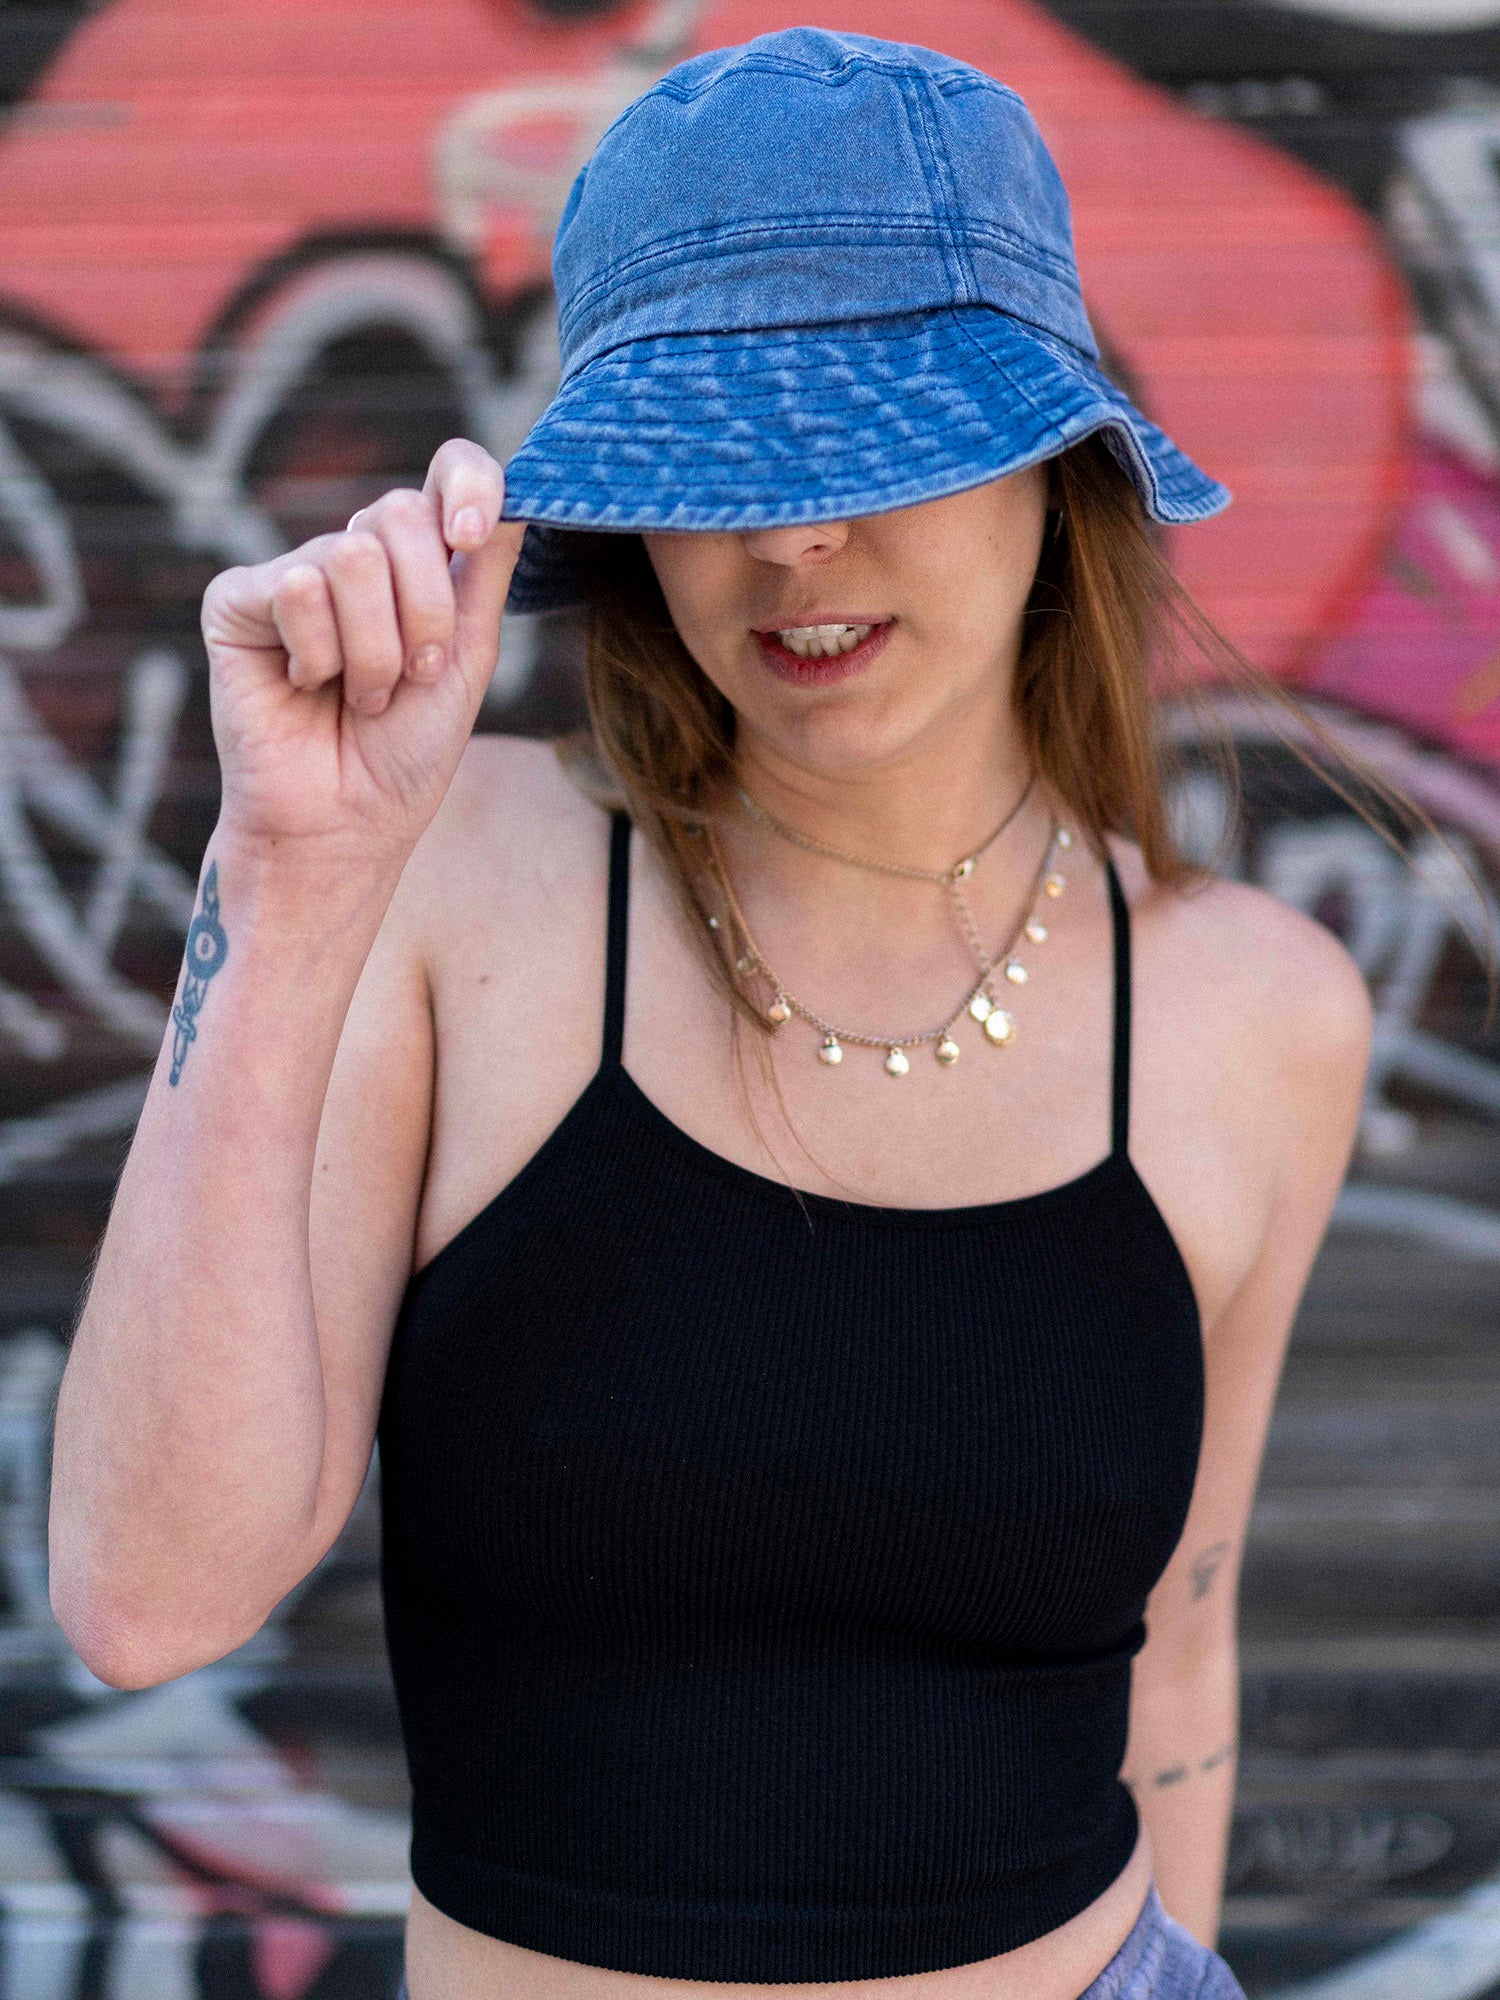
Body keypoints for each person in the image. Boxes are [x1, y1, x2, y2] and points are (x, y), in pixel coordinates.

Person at [47, 28, 1371, 2000]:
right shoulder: (453, 875)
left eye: (874, 442)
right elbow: (147, 1600)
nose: (791, 540)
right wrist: (284, 880)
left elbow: (1176, 1644)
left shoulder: (1260, 1008)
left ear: (1050, 456)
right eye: (714, 463)